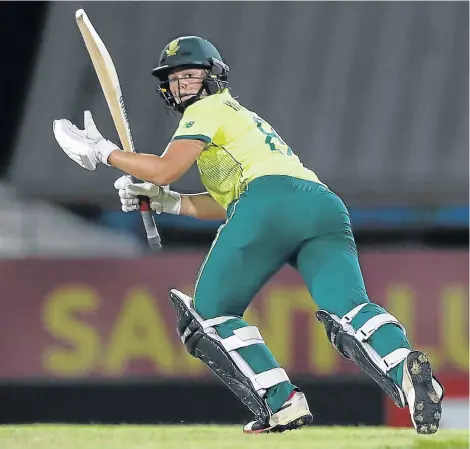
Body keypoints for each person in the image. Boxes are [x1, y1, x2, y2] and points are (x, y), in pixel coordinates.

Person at [53, 35, 444, 434]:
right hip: (322, 206)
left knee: (207, 315)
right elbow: (227, 199)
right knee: (349, 310)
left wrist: (104, 151)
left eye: (190, 75)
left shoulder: (206, 109)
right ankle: (407, 370)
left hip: (269, 203)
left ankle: (281, 402)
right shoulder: (241, 117)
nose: (181, 85)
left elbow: (166, 169)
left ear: (213, 76)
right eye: (174, 79)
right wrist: (166, 202)